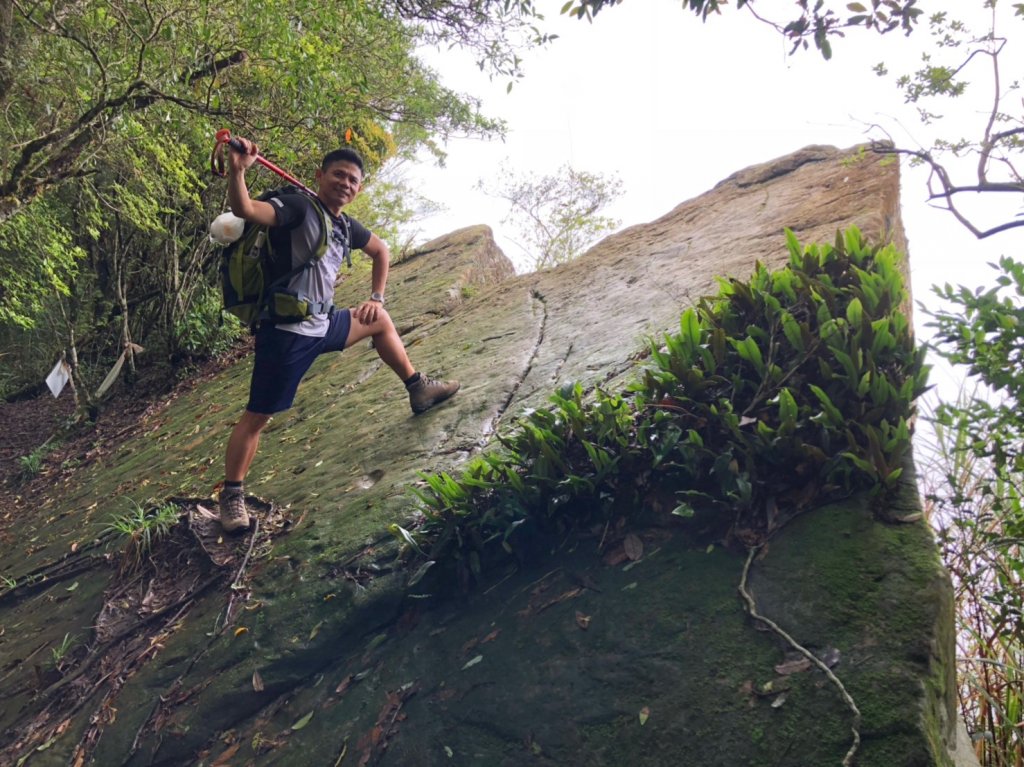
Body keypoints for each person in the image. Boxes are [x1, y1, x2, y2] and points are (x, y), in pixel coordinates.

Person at [218, 138, 460, 532]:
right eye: (338, 175)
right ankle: (231, 496)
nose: (345, 183)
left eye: (353, 180)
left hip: (324, 325)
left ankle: (418, 387)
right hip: (286, 333)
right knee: (258, 417)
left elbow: (381, 251)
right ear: (320, 176)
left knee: (379, 321)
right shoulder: (297, 207)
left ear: (359, 188)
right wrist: (238, 169)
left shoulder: (345, 225)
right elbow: (244, 210)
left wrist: (376, 299)